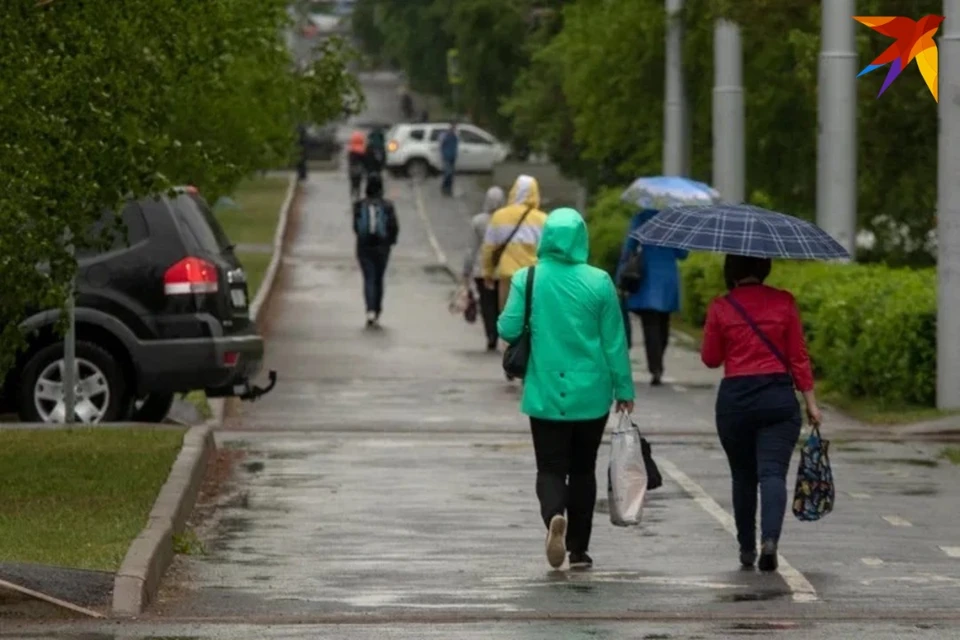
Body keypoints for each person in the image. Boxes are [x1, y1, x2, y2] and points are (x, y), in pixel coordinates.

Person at [497, 207, 635, 570]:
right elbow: (614, 343)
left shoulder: (527, 279)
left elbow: (508, 329)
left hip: (544, 392)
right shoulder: (600, 281)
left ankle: (554, 517)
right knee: (584, 469)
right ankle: (578, 549)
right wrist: (624, 388)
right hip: (592, 393)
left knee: (550, 467)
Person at [700, 254, 822, 572]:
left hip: (735, 401)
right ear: (764, 267)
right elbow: (798, 356)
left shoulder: (721, 306)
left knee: (742, 477)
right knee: (772, 474)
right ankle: (770, 541)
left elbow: (711, 359)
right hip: (778, 398)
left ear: (732, 270)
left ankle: (745, 548)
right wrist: (811, 402)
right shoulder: (784, 303)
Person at [616, 209, 688, 386]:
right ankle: (658, 363)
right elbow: (683, 254)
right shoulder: (674, 220)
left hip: (647, 276)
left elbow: (629, 247)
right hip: (668, 279)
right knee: (664, 323)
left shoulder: (641, 218)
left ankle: (655, 367)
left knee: (650, 325)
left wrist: (620, 274)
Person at [480, 175, 548, 314]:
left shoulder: (499, 216)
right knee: (534, 318)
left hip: (508, 277)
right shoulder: (544, 220)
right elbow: (549, 252)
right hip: (534, 278)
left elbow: (488, 248)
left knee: (508, 318)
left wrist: (488, 273)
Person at [462, 186, 506, 351]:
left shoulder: (478, 221)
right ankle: (499, 330)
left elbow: (471, 248)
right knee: (500, 301)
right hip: (503, 268)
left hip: (482, 268)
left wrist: (466, 270)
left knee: (486, 303)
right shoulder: (507, 220)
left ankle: (490, 333)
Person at [353, 173, 399, 327]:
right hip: (382, 247)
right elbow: (393, 226)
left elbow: (355, 227)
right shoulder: (387, 206)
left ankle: (370, 310)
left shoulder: (359, 205)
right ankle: (378, 310)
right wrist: (391, 242)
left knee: (368, 278)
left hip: (364, 247)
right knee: (379, 278)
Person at [347, 131, 367, 202]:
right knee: (358, 183)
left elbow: (349, 161)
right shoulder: (362, 150)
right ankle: (357, 195)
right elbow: (364, 161)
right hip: (359, 169)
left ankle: (352, 195)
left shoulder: (351, 150)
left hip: (352, 169)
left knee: (353, 183)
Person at [439, 123, 459, 196]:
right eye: (453, 129)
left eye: (454, 129)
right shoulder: (446, 137)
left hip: (452, 157)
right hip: (447, 157)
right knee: (448, 172)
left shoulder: (455, 137)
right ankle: (445, 187)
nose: (453, 130)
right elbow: (441, 146)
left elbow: (455, 147)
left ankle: (449, 188)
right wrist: (443, 155)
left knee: (451, 174)